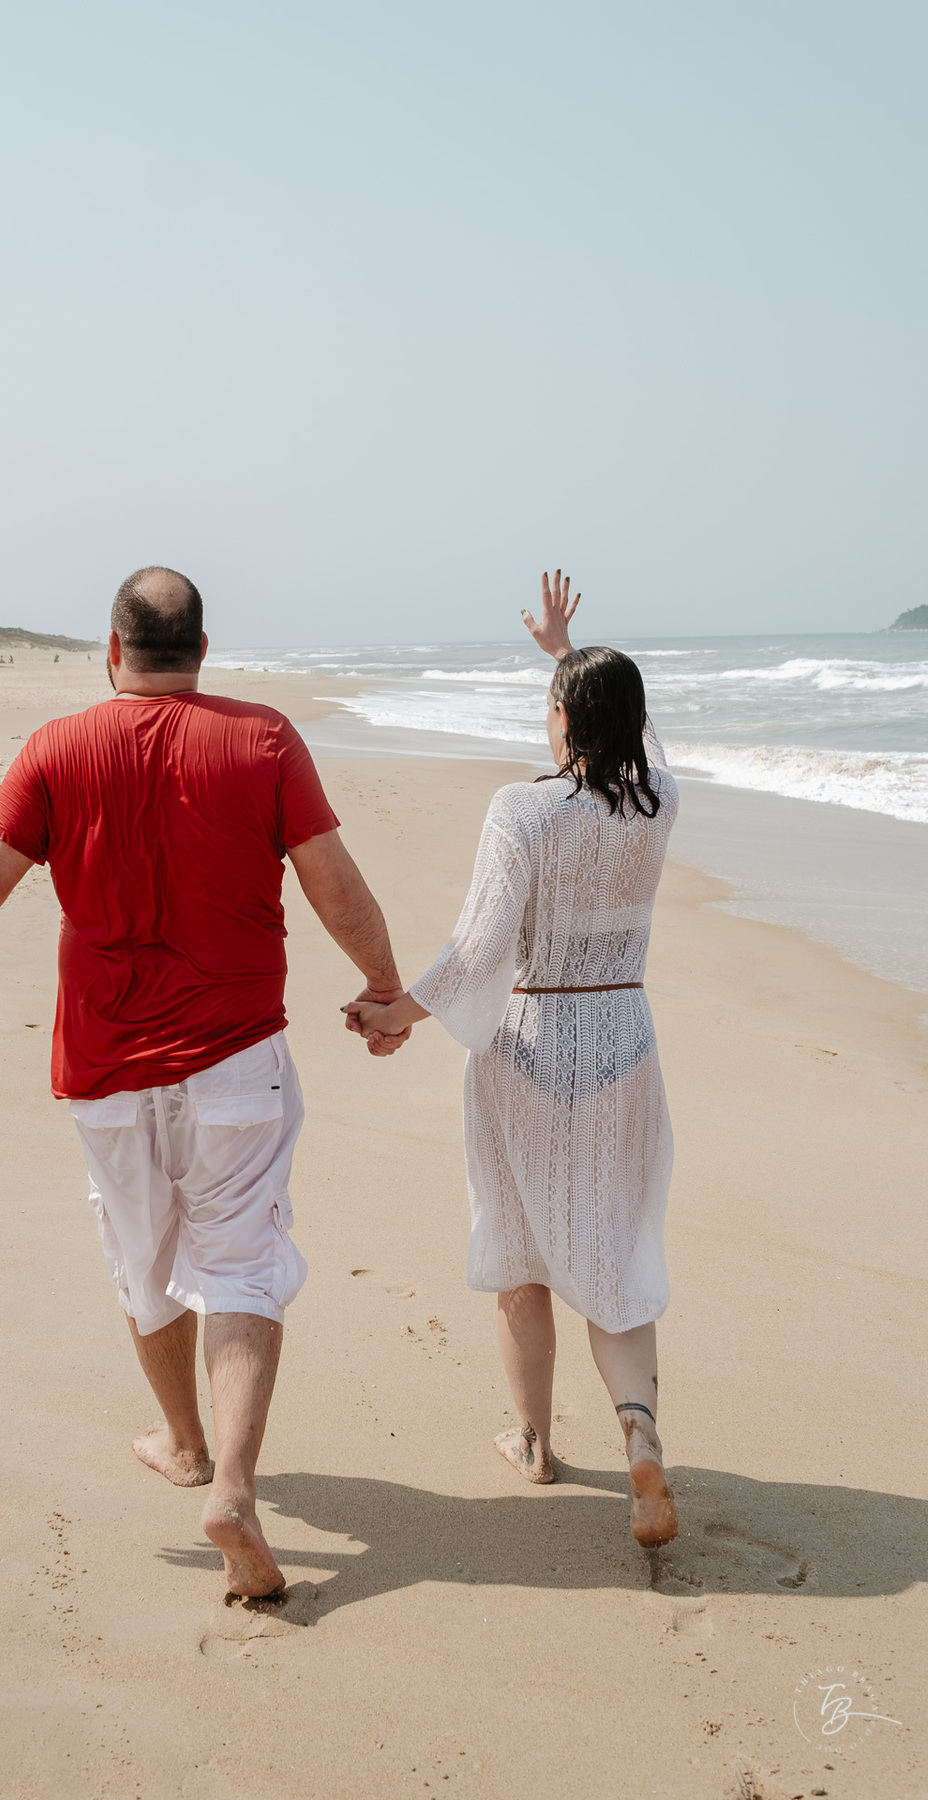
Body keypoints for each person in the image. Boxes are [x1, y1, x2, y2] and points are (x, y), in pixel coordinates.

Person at [0, 566, 405, 1597]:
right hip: (236, 1058)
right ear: (203, 651)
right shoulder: (262, 740)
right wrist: (385, 987)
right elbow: (333, 882)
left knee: (145, 1257)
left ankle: (183, 1445)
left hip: (105, 1069)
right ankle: (233, 1485)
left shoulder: (56, 748)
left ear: (113, 649)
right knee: (242, 1267)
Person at [347, 572, 680, 1550]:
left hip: (530, 1048)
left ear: (563, 719)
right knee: (613, 1252)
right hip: (623, 1043)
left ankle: (534, 1444)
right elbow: (649, 746)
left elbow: (483, 948)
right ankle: (641, 1438)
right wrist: (570, 656)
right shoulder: (658, 805)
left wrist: (396, 1009)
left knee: (522, 1257)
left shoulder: (523, 812)